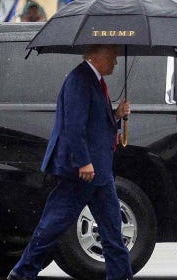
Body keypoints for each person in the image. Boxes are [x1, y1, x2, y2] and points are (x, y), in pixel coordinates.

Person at [8, 44, 132, 280]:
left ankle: (120, 275)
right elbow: (73, 126)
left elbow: (95, 124)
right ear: (97, 56)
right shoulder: (79, 80)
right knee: (54, 224)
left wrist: (116, 115)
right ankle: (23, 272)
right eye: (112, 56)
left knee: (112, 227)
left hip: (100, 172)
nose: (116, 62)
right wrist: (83, 161)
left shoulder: (93, 80)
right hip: (83, 172)